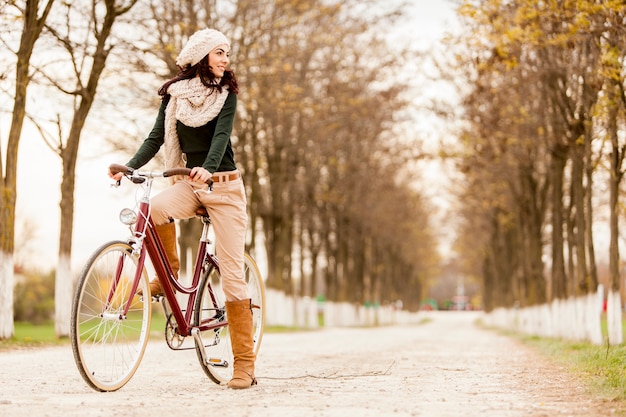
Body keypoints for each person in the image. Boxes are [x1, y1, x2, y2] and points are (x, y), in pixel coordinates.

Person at [109, 28, 256, 389]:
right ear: (203, 56)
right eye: (220, 52)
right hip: (190, 184)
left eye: (227, 53)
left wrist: (209, 164)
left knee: (232, 274)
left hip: (223, 189)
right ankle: (169, 271)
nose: (226, 59)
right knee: (153, 210)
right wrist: (129, 167)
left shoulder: (227, 94)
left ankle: (244, 365)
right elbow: (156, 137)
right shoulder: (174, 96)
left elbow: (222, 135)